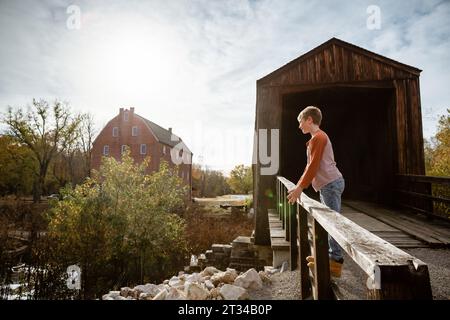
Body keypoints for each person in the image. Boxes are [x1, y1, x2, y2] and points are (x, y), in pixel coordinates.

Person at [286, 106, 345, 277]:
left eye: (301, 122)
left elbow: (313, 166)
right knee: (328, 221)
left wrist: (300, 188)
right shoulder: (316, 138)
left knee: (332, 222)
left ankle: (335, 260)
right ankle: (329, 256)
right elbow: (309, 167)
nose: (299, 126)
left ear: (309, 120)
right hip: (327, 185)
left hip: (331, 184)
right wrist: (299, 185)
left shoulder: (319, 137)